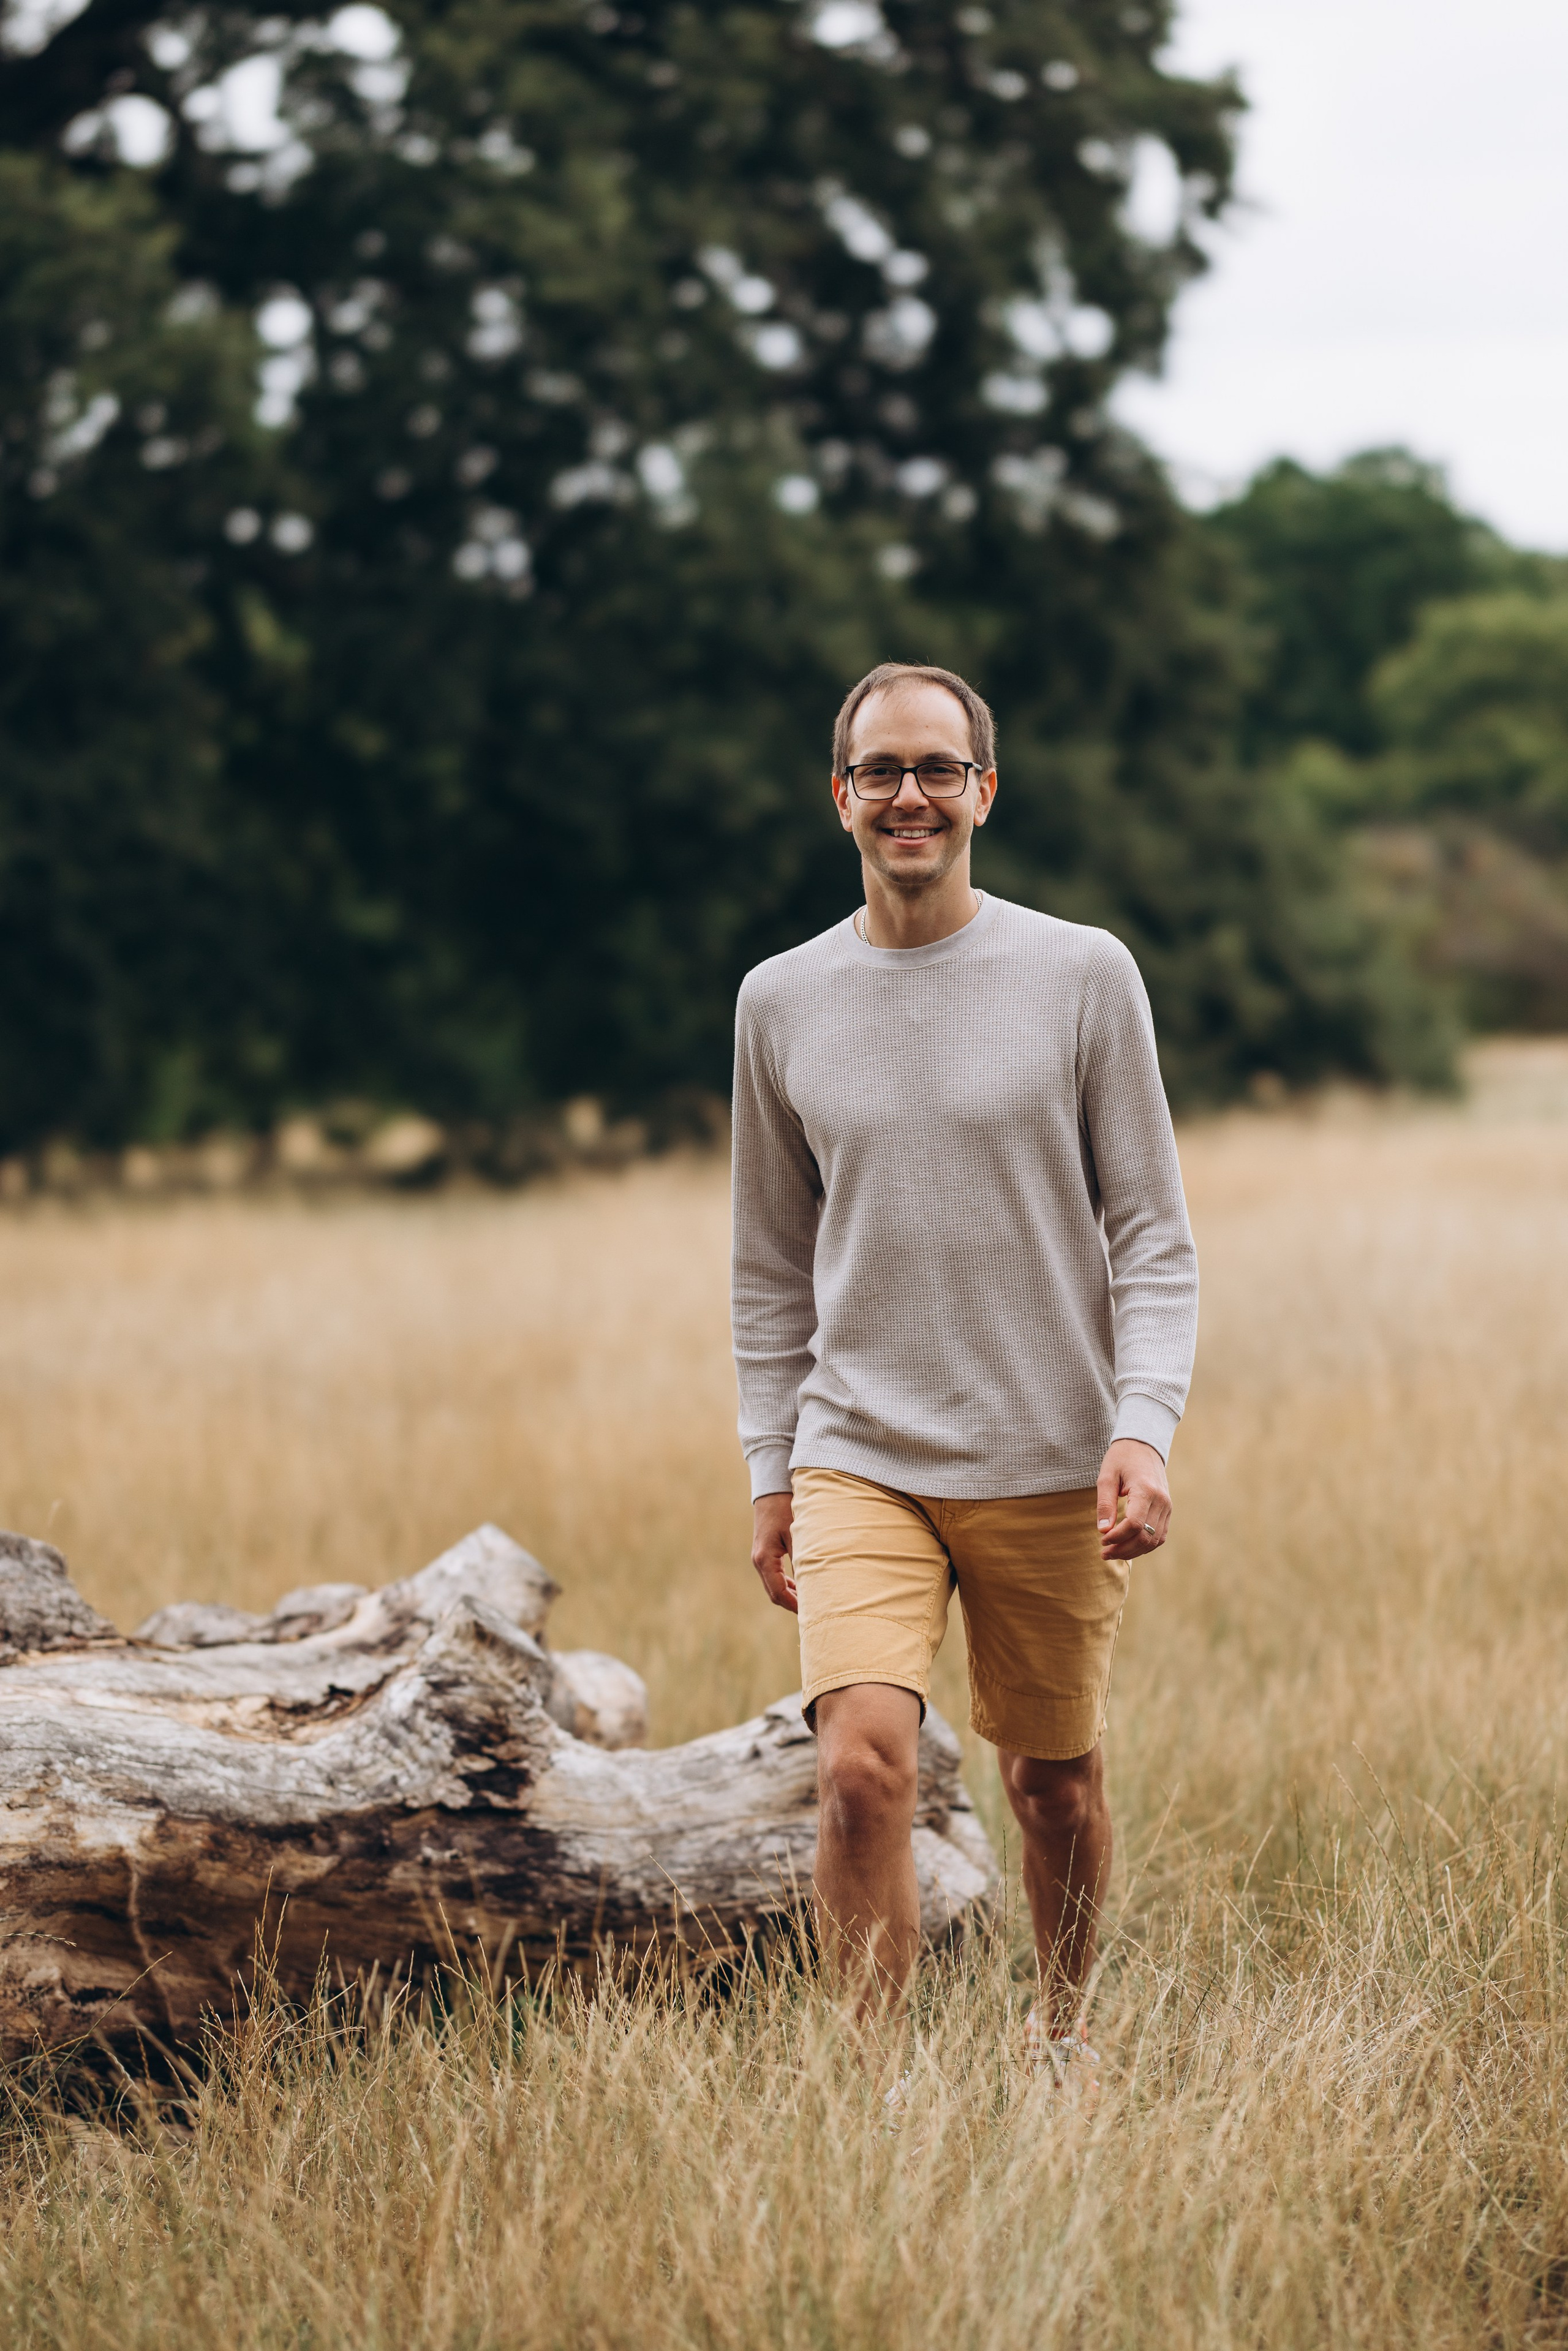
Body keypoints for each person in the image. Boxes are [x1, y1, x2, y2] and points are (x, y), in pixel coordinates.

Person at [729, 660, 1199, 2081]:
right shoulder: (780, 998)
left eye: (937, 768)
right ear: (840, 797)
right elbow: (765, 1264)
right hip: (857, 1446)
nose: (909, 795)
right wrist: (769, 1466)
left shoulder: (1079, 973)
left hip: (1050, 1452)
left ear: (983, 790)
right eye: (880, 771)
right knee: (860, 1768)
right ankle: (872, 2094)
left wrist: (1144, 1424)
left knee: (1048, 1782)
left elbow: (1153, 1234)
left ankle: (1059, 2033)